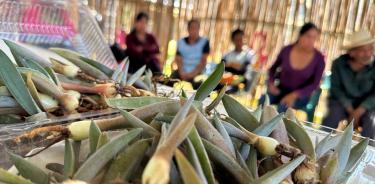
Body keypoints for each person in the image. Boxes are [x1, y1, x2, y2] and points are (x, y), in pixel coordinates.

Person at [323, 30, 375, 139]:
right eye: (363, 50)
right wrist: (351, 110)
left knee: (371, 121)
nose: (369, 53)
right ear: (352, 52)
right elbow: (336, 90)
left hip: (367, 106)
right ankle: (320, 145)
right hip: (342, 103)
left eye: (371, 48)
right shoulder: (338, 63)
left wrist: (360, 110)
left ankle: (370, 151)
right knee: (332, 116)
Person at [266, 22, 325, 112]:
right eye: (308, 36)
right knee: (263, 101)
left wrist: (294, 95)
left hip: (301, 96)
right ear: (300, 35)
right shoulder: (286, 50)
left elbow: (315, 84)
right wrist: (271, 83)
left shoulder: (319, 58)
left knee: (284, 107)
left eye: (314, 38)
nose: (311, 41)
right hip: (280, 90)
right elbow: (272, 69)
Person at [172, 19, 210, 84]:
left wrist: (191, 74)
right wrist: (182, 73)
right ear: (188, 29)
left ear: (199, 29)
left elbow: (203, 61)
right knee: (171, 80)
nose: (194, 30)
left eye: (196, 28)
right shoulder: (181, 42)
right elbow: (178, 59)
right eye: (192, 28)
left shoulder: (204, 42)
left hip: (198, 72)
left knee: (200, 84)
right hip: (182, 72)